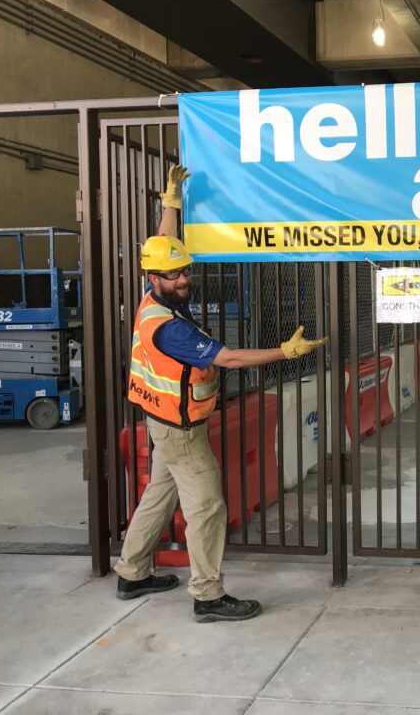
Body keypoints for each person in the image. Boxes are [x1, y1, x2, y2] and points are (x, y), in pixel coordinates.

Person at [115, 164, 326, 623]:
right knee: (208, 507)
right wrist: (285, 352)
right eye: (174, 277)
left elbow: (164, 244)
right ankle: (207, 596)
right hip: (181, 429)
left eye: (184, 271)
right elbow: (227, 359)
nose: (183, 279)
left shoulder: (153, 297)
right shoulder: (167, 328)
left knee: (159, 495)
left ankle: (131, 572)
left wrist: (170, 202)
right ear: (154, 278)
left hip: (162, 419)